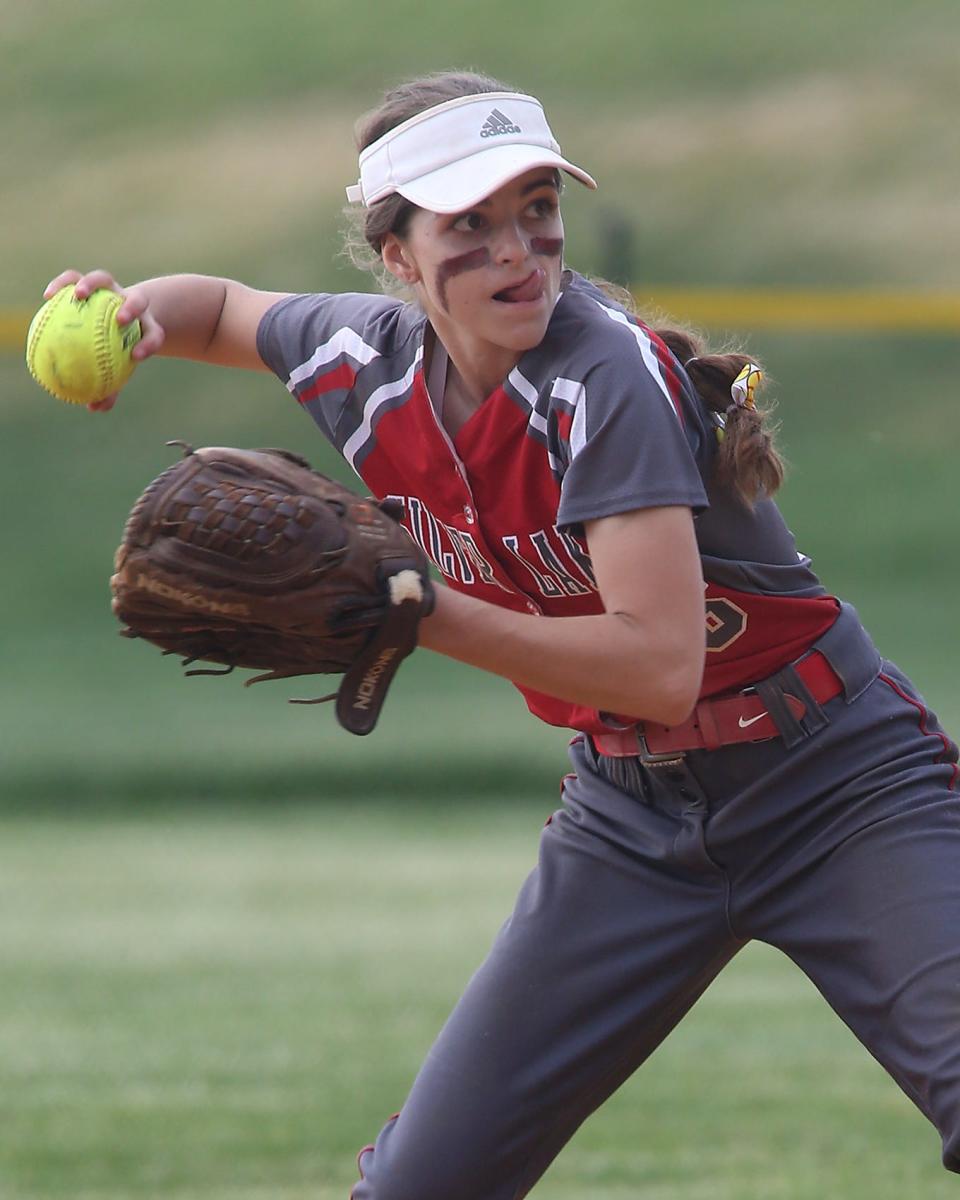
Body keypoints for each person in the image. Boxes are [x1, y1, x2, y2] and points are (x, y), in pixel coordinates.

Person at [46, 70, 960, 1198]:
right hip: (633, 821)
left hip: (836, 786)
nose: (517, 249)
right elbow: (230, 310)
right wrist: (139, 314)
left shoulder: (600, 376)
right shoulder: (361, 361)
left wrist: (419, 611)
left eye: (535, 208)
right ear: (398, 259)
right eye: (467, 225)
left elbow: (660, 665)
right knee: (421, 1187)